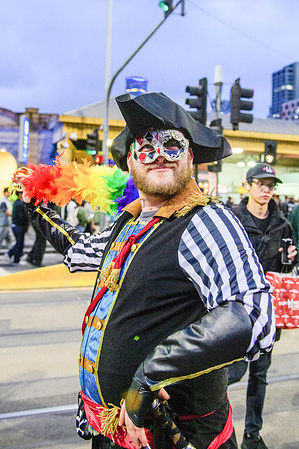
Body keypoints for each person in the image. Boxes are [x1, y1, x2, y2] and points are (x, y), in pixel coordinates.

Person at [16, 93, 276, 449]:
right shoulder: (130, 224)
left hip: (174, 436)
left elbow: (252, 313)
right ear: (131, 161)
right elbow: (81, 250)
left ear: (189, 155)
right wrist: (36, 209)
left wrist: (148, 377)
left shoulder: (204, 220)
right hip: (112, 431)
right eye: (145, 147)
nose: (158, 155)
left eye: (171, 145)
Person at [227, 162, 297, 449]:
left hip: (269, 312)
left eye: (270, 185)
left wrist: (292, 258)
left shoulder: (283, 224)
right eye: (260, 184)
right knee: (231, 373)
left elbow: (288, 265)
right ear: (248, 185)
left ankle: (252, 436)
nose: (266, 189)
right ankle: (217, 431)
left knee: (260, 375)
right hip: (235, 310)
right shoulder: (232, 219)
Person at [5, 189, 28, 266]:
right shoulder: (20, 204)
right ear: (20, 195)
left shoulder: (15, 203)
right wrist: (25, 225)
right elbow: (21, 216)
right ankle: (14, 259)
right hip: (19, 226)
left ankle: (12, 255)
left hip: (14, 225)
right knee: (19, 244)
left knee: (18, 243)